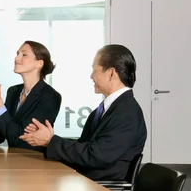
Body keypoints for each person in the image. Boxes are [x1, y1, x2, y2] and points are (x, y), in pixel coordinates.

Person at [20, 44, 147, 181]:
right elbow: (84, 146)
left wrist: (50, 141)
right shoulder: (109, 108)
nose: (91, 76)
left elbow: (96, 156)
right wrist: (47, 140)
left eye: (94, 69)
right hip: (88, 182)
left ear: (111, 73)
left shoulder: (127, 113)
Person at [0, 41, 62, 151]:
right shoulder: (13, 91)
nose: (16, 58)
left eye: (24, 54)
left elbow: (20, 139)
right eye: (17, 53)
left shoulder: (50, 96)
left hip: (35, 163)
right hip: (12, 162)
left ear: (39, 63)